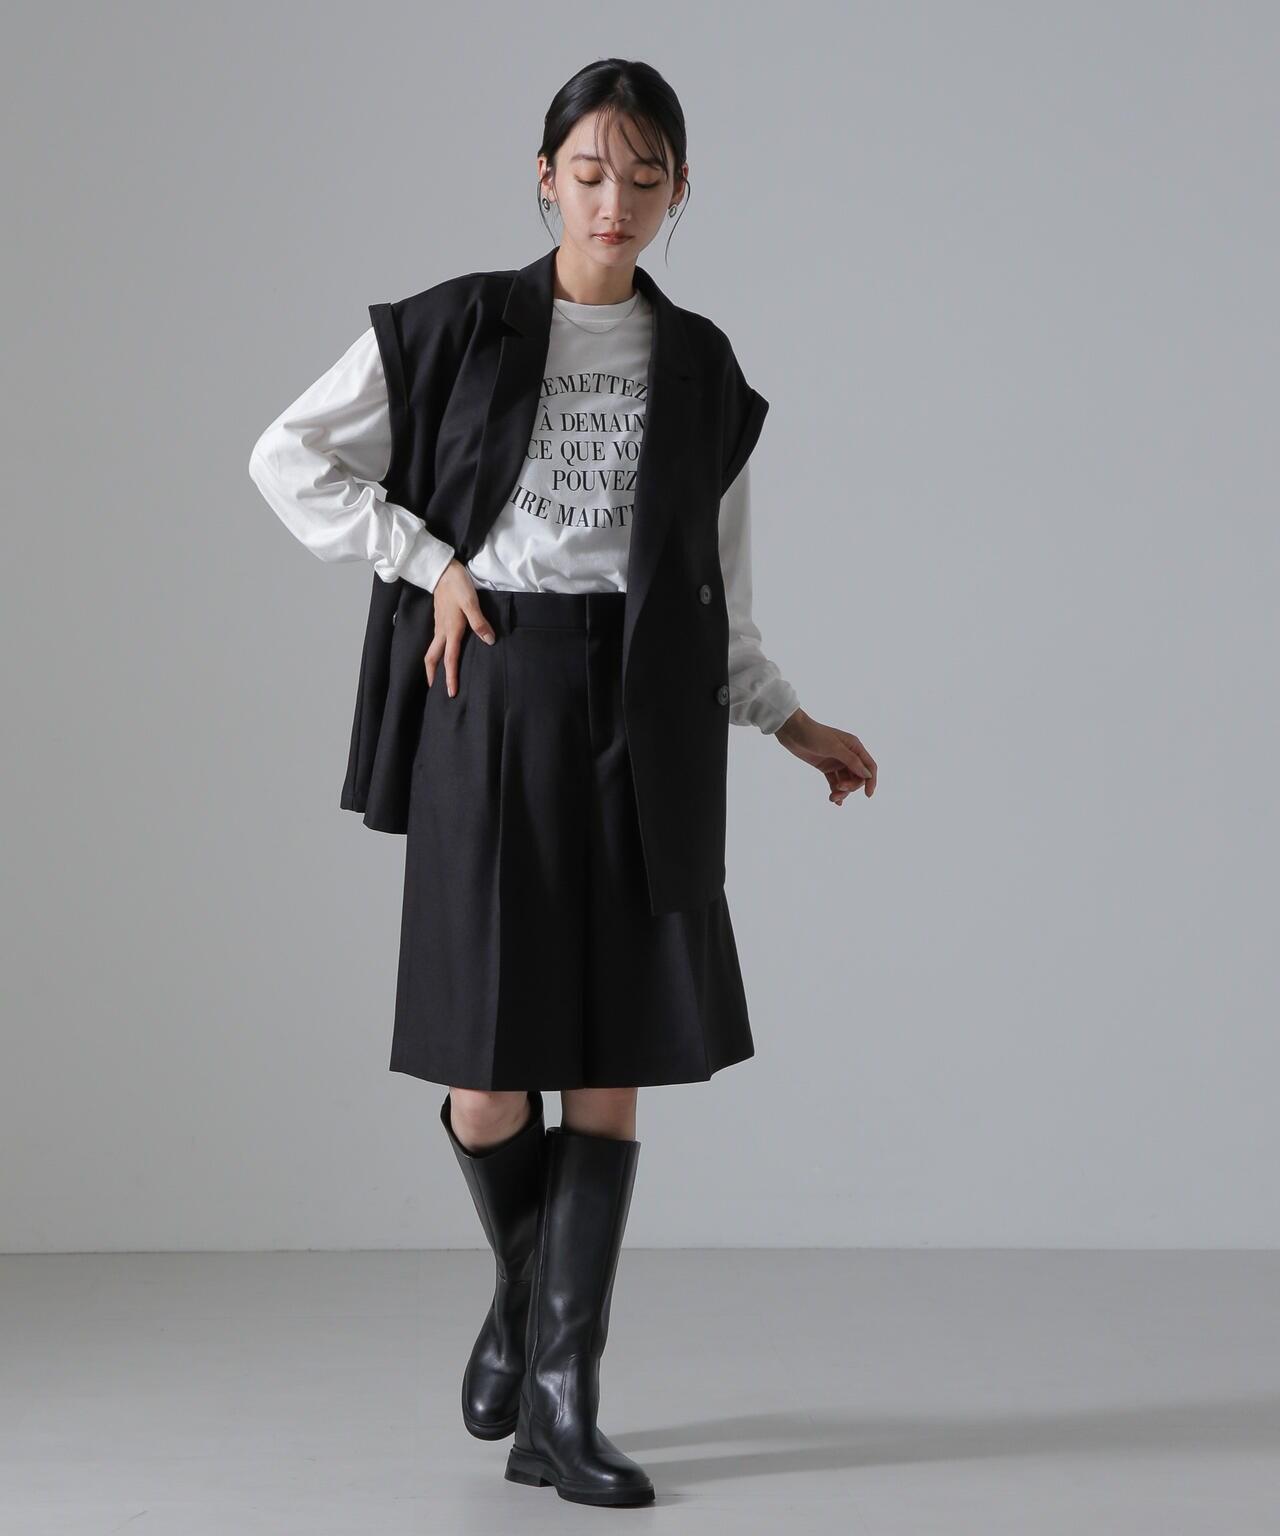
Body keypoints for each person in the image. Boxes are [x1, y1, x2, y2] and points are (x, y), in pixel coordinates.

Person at [249, 58, 876, 1509]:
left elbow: (717, 594)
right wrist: (428, 561)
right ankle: (527, 1319)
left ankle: (560, 1406)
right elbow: (288, 457)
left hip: (645, 715)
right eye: (590, 173)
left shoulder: (701, 366)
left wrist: (790, 721)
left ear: (679, 192)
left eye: (646, 178)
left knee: (608, 1065)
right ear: (545, 178)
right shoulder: (459, 324)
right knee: (485, 1074)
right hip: (495, 691)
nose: (615, 202)